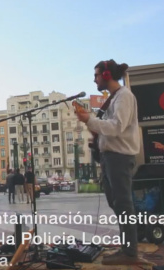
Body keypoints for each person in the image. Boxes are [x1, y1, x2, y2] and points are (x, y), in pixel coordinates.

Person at [76, 59, 139, 265]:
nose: (94, 80)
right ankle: (127, 249)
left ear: (106, 75)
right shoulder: (114, 99)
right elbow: (106, 129)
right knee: (117, 203)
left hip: (119, 157)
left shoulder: (124, 97)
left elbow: (116, 128)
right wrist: (89, 124)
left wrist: (89, 120)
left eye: (96, 75)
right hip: (110, 157)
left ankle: (130, 253)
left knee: (124, 204)